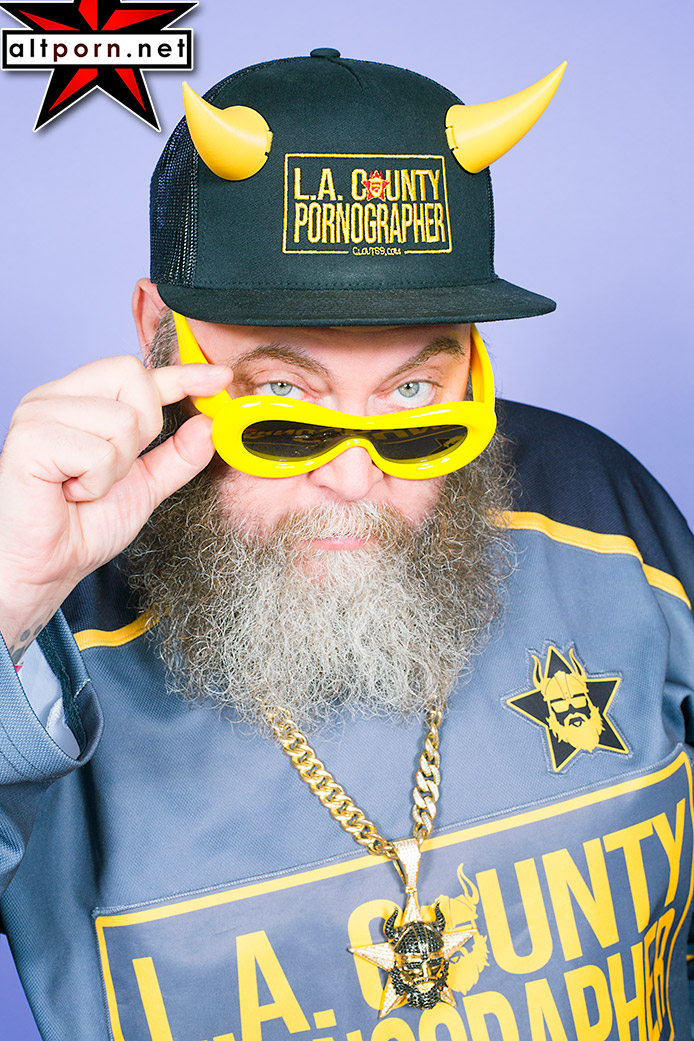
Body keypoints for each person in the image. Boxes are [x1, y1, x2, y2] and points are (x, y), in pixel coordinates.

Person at [1, 49, 693, 1040]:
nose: (355, 478)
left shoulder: (604, 511)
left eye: (414, 398)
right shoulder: (45, 630)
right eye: (282, 402)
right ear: (159, 334)